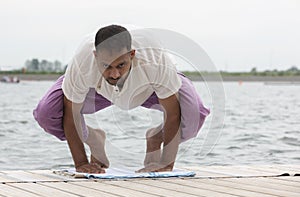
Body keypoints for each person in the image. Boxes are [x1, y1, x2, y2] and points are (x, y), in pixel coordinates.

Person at [33, 24, 210, 173]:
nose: (114, 73)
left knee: (195, 114)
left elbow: (172, 114)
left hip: (148, 88)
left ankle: (156, 137)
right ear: (95, 56)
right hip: (97, 91)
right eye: (106, 66)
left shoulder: (156, 61)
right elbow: (71, 115)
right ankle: (94, 137)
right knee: (46, 114)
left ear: (132, 54)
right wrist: (81, 163)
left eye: (121, 65)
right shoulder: (82, 62)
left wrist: (166, 164)